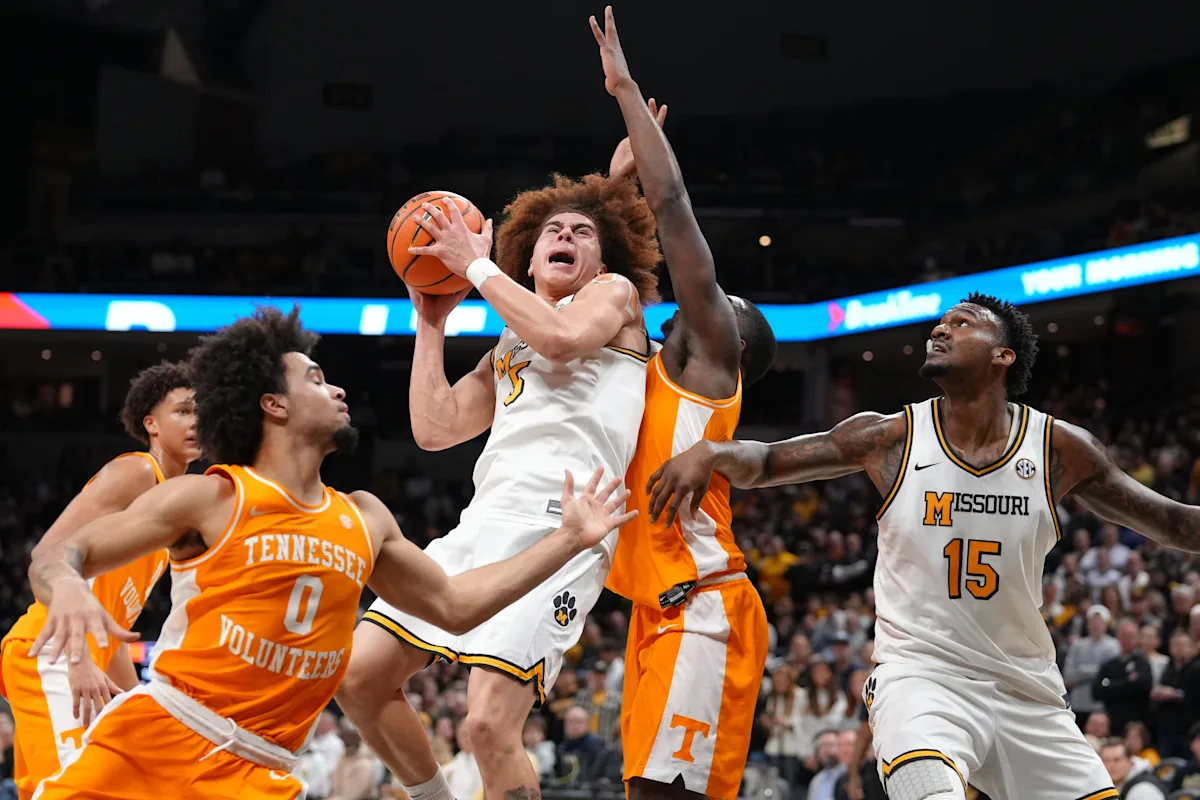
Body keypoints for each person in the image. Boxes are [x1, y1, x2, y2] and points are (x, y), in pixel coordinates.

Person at [25, 307, 636, 800]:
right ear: (274, 404)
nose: (337, 387)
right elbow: (56, 555)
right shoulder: (211, 497)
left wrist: (568, 539)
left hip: (265, 771)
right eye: (315, 379)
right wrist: (70, 586)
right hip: (162, 743)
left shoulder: (364, 518)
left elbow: (456, 606)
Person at [648, 293, 1200, 798]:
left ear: (1003, 355)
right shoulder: (892, 437)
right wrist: (714, 452)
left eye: (961, 323)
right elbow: (771, 461)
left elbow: (1175, 524)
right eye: (940, 322)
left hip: (1027, 689)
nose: (940, 329)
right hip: (921, 677)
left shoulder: (1058, 448)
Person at [589, 9, 777, 800]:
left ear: (734, 343)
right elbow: (603, 272)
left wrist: (625, 90)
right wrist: (613, 189)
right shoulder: (647, 370)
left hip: (703, 604)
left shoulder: (711, 365)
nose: (707, 298)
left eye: (722, 303)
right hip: (655, 609)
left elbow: (675, 213)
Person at [0, 361, 200, 800]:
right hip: (53, 652)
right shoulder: (138, 472)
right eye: (183, 411)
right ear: (151, 424)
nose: (196, 421)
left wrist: (138, 702)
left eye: (201, 411)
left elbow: (111, 633)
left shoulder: (167, 516)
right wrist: (77, 658)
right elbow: (46, 558)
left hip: (75, 658)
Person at [1094, 619, 1153, 736]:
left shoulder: (1142, 662)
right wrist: (1127, 682)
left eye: (1130, 636)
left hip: (1137, 720)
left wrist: (1111, 685)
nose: (1127, 640)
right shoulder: (1109, 664)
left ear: (1137, 638)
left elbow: (1143, 685)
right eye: (1124, 636)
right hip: (1112, 721)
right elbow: (1097, 691)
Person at [1098, 740, 1166, 800]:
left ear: (1131, 762)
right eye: (1106, 760)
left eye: (1117, 760)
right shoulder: (1109, 785)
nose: (1110, 766)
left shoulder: (1143, 790)